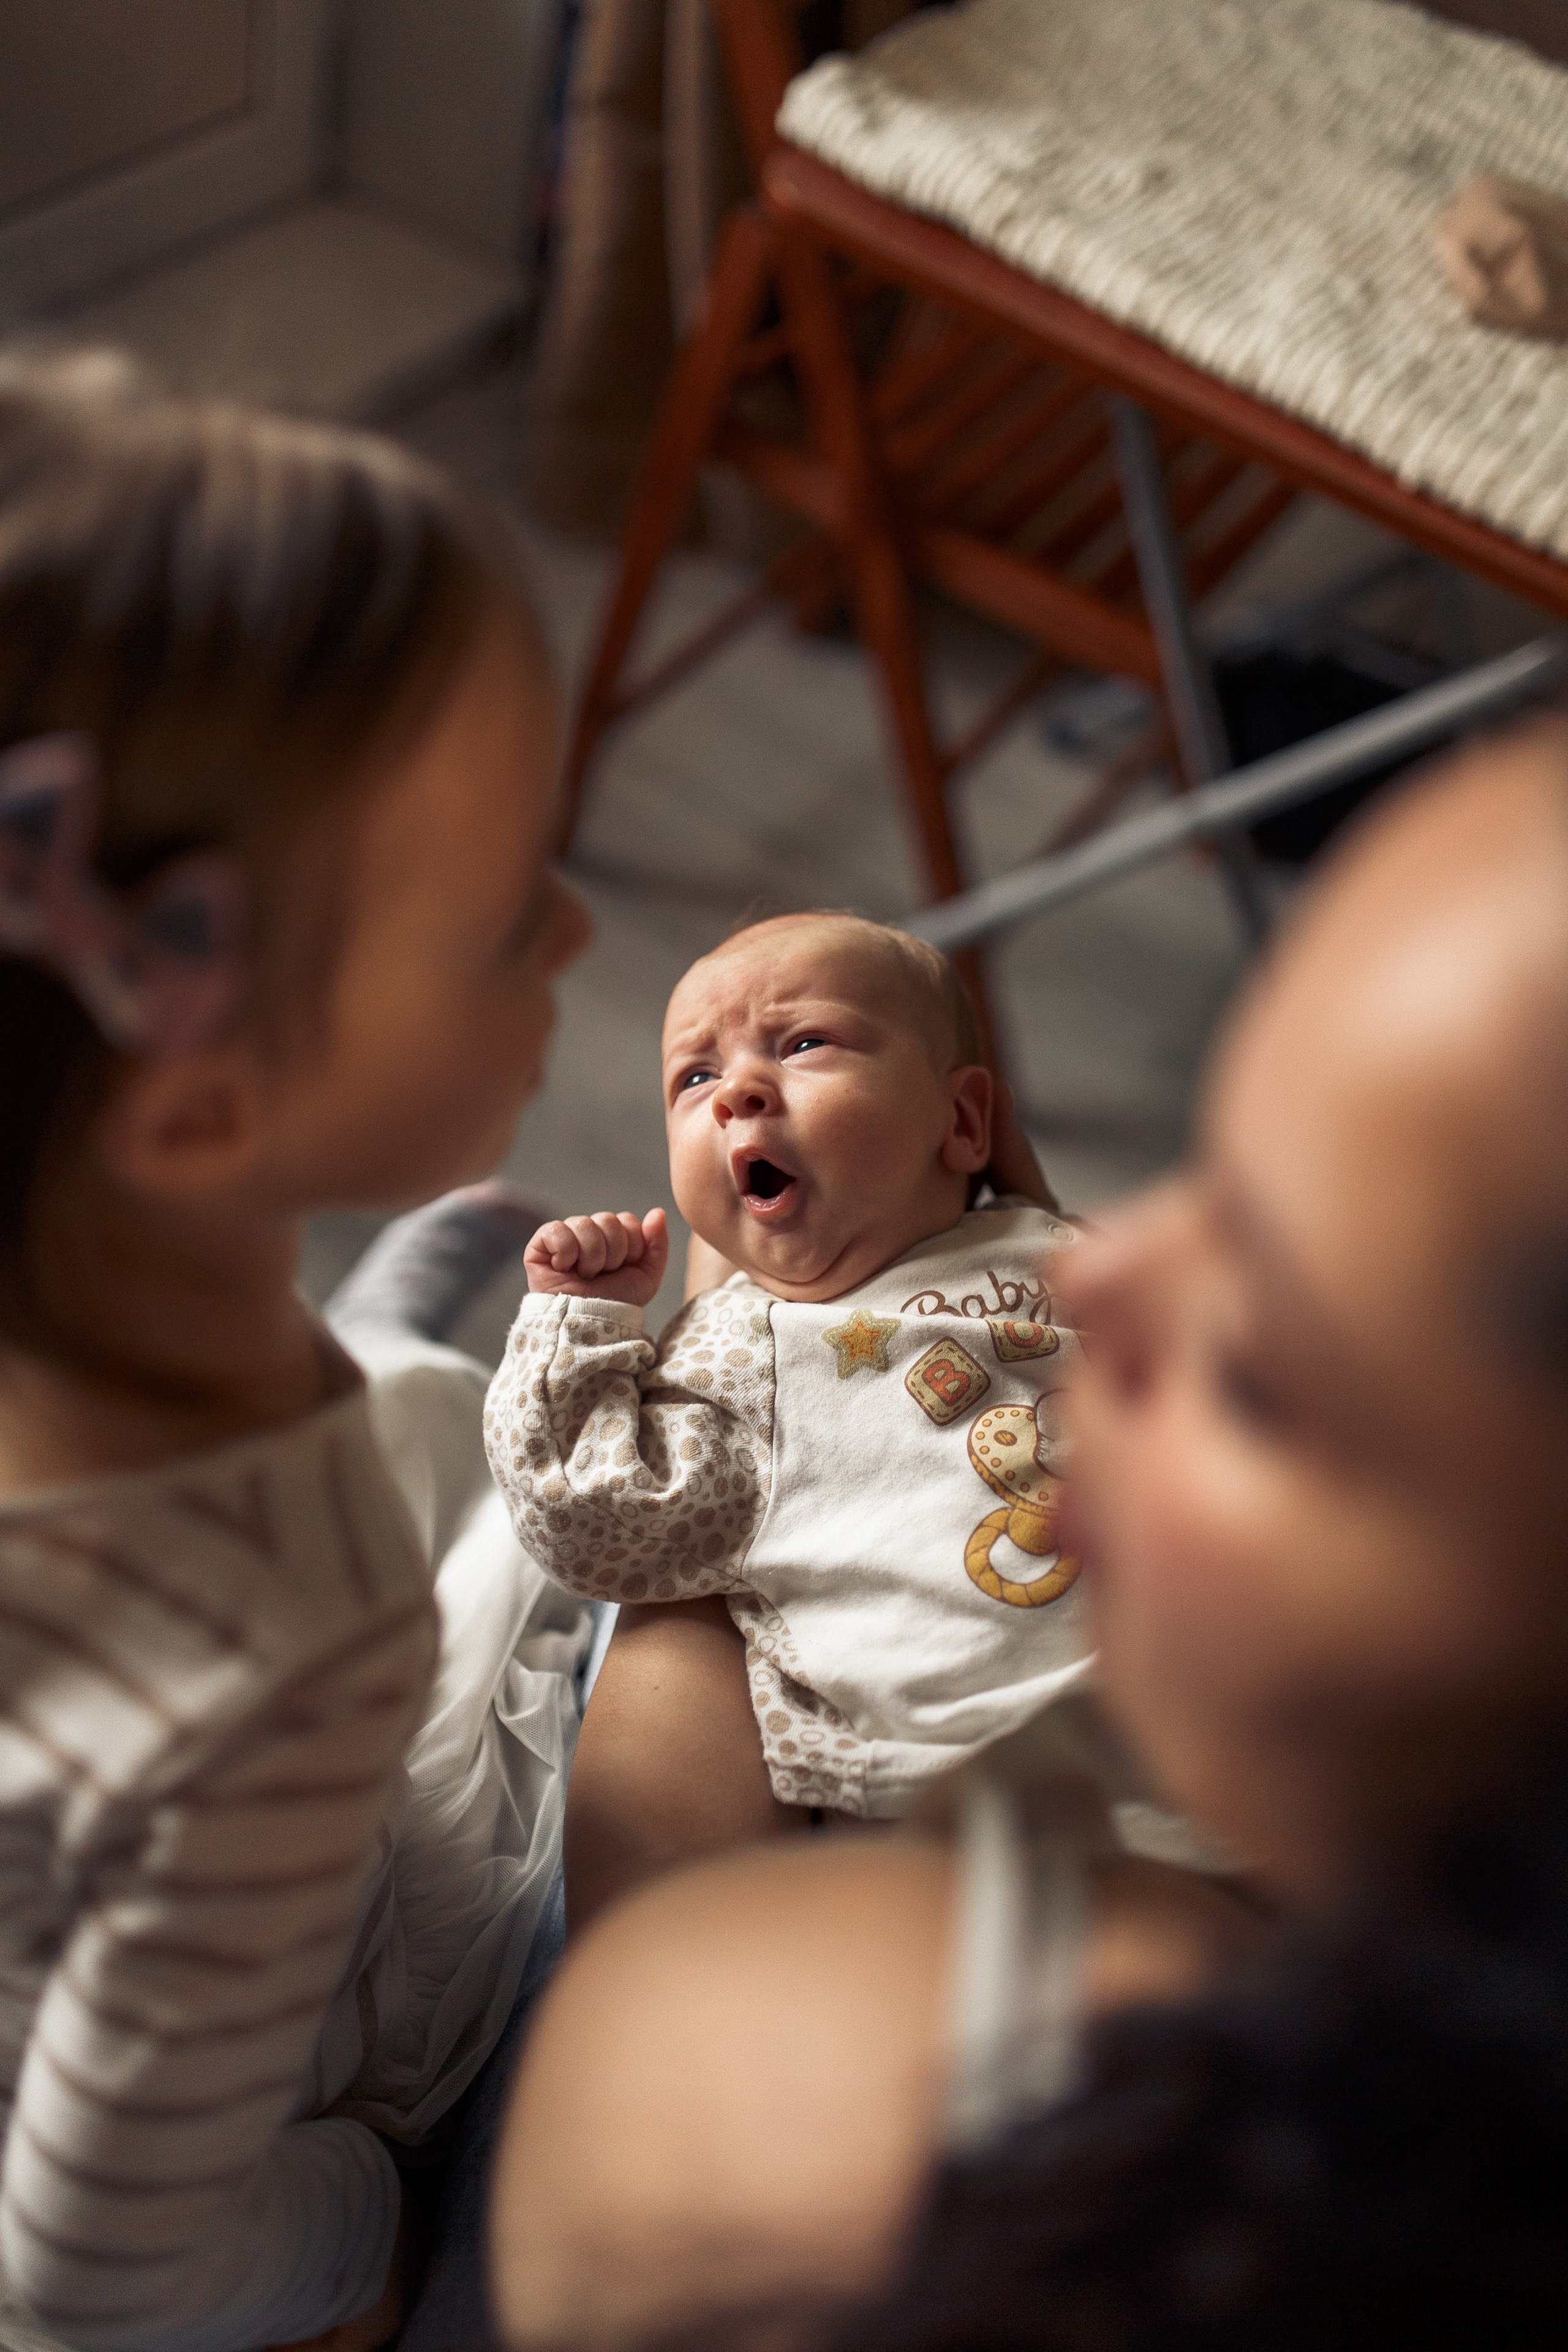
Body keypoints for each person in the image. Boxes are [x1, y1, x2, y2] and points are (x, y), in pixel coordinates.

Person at [486, 714, 1568, 2349]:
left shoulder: (896, 2097)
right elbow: (600, 1505)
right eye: (1217, 1175)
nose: (1108, 1277)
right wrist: (594, 1331)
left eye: (1265, 1367)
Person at [0, 349, 592, 2352]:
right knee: (555, 1573)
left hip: (193, 1757)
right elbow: (91, 2272)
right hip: (294, 2071)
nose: (581, 930)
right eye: (512, 909)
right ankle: (454, 1399)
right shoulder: (274, 1671)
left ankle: (377, 1361)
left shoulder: (80, 1264)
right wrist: (372, 2243)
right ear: (195, 1120)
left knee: (390, 1412)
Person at [483, 913, 1092, 1921]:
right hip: (938, 1777)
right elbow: (590, 1518)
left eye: (805, 1042)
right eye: (693, 1079)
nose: (738, 1092)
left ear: (965, 1124)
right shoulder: (738, 1354)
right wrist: (575, 1326)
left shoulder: (1048, 1243)